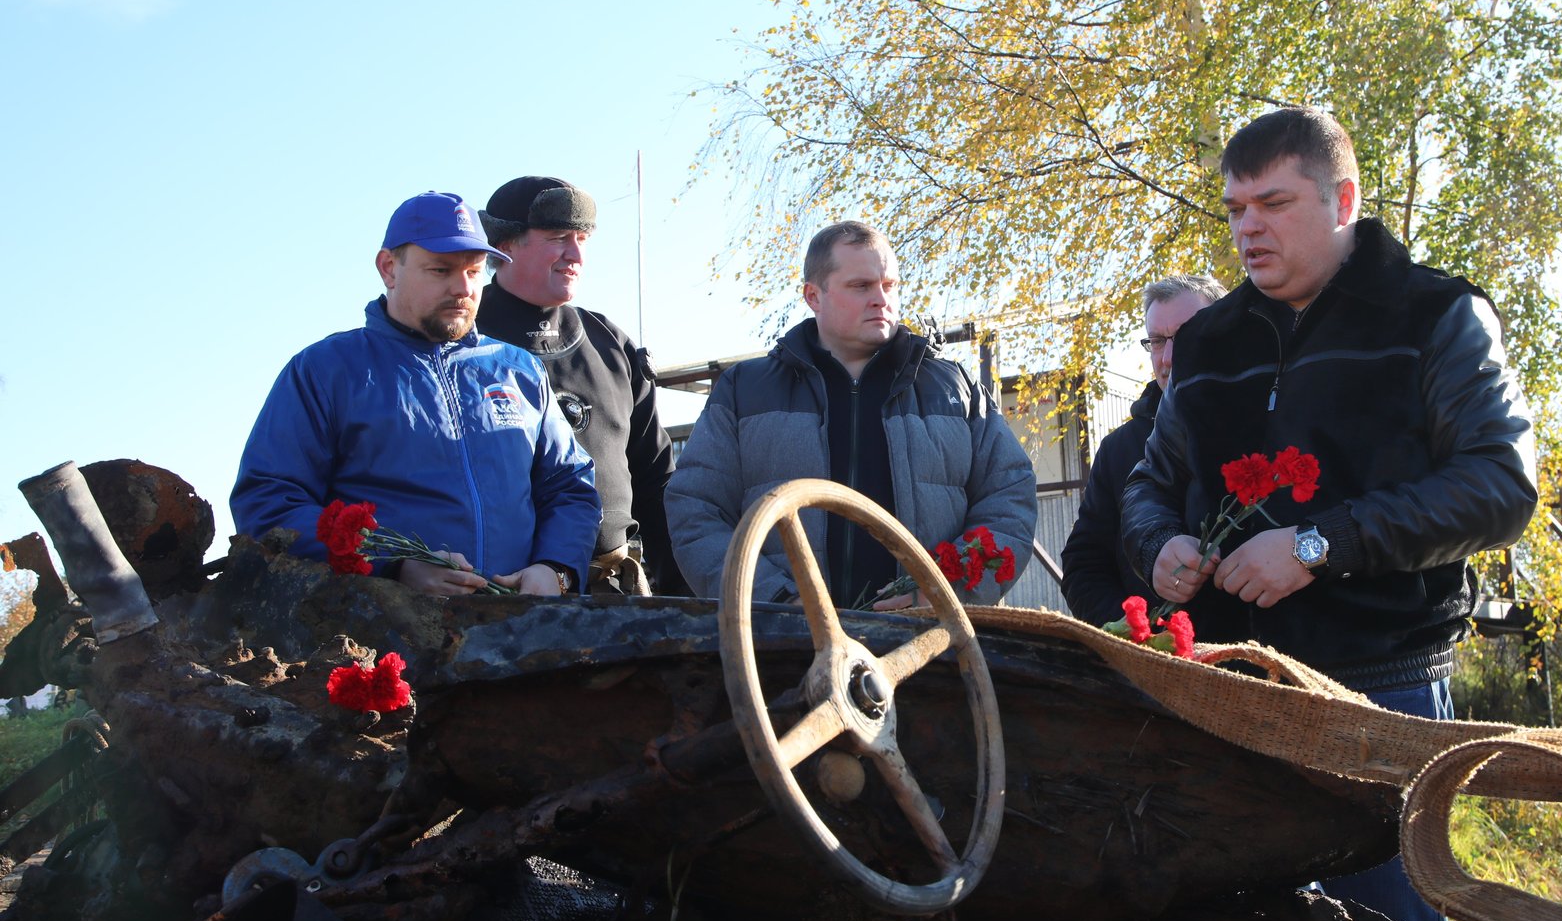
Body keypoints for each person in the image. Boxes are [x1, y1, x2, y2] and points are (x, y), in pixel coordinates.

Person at [1120, 107, 1538, 921]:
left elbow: (1500, 484)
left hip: (1378, 688)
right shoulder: (1208, 343)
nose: (1248, 228)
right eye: (1236, 209)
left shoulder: (1435, 315)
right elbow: (1148, 485)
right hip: (1228, 688)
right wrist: (1158, 545)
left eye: (1273, 204)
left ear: (1342, 200)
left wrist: (1319, 545)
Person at [231, 191, 600, 597]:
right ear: (389, 268)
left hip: (518, 626)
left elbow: (570, 486)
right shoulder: (325, 370)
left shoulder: (520, 370)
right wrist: (391, 566)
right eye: (441, 270)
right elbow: (268, 502)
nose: (463, 287)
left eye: (474, 271)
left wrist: (557, 568)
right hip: (379, 627)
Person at [666, 221, 1037, 607]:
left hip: (929, 636)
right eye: (861, 286)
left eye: (889, 285)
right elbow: (696, 510)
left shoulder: (956, 389)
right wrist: (777, 601)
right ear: (814, 296)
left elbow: (1009, 500)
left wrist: (940, 592)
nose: (881, 299)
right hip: (780, 639)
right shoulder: (744, 390)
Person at [476, 175, 683, 594]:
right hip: (501, 596)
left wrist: (688, 600)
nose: (575, 255)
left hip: (616, 593)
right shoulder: (460, 343)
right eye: (557, 238)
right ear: (505, 244)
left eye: (582, 239)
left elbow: (657, 482)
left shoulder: (610, 343)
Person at [1060, 274, 1224, 625]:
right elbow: (1083, 567)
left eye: (1188, 335)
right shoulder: (1118, 450)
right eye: (1157, 341)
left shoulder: (1273, 422)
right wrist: (1135, 631)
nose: (1168, 358)